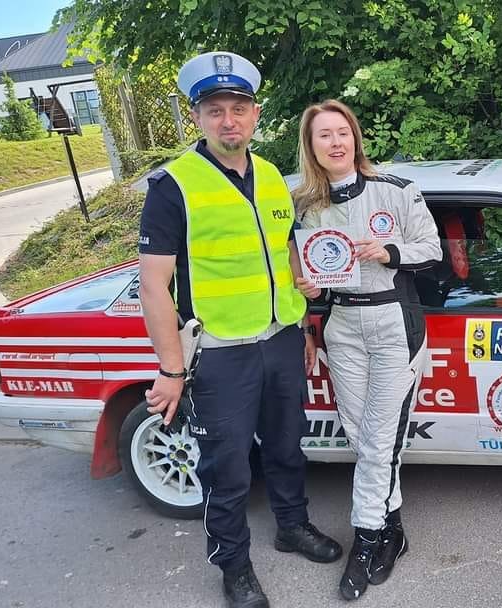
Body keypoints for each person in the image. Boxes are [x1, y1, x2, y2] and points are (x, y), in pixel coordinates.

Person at [138, 51, 342, 608]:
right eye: (215, 110)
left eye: (238, 108)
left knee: (287, 446)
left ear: (255, 114)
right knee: (226, 469)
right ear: (197, 118)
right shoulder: (173, 186)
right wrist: (171, 370)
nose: (228, 120)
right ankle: (234, 566)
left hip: (281, 340)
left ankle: (292, 527)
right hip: (220, 353)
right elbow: (153, 288)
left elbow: (286, 254)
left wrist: (304, 326)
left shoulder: (273, 176)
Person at [293, 99, 441, 601]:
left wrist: (388, 252)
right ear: (311, 146)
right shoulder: (306, 206)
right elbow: (309, 277)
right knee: (362, 437)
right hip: (341, 326)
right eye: (324, 135)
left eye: (342, 132)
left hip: (393, 321)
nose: (335, 142)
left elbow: (432, 249)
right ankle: (393, 530)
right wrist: (310, 291)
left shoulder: (396, 190)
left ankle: (366, 540)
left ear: (355, 138)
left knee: (379, 441)